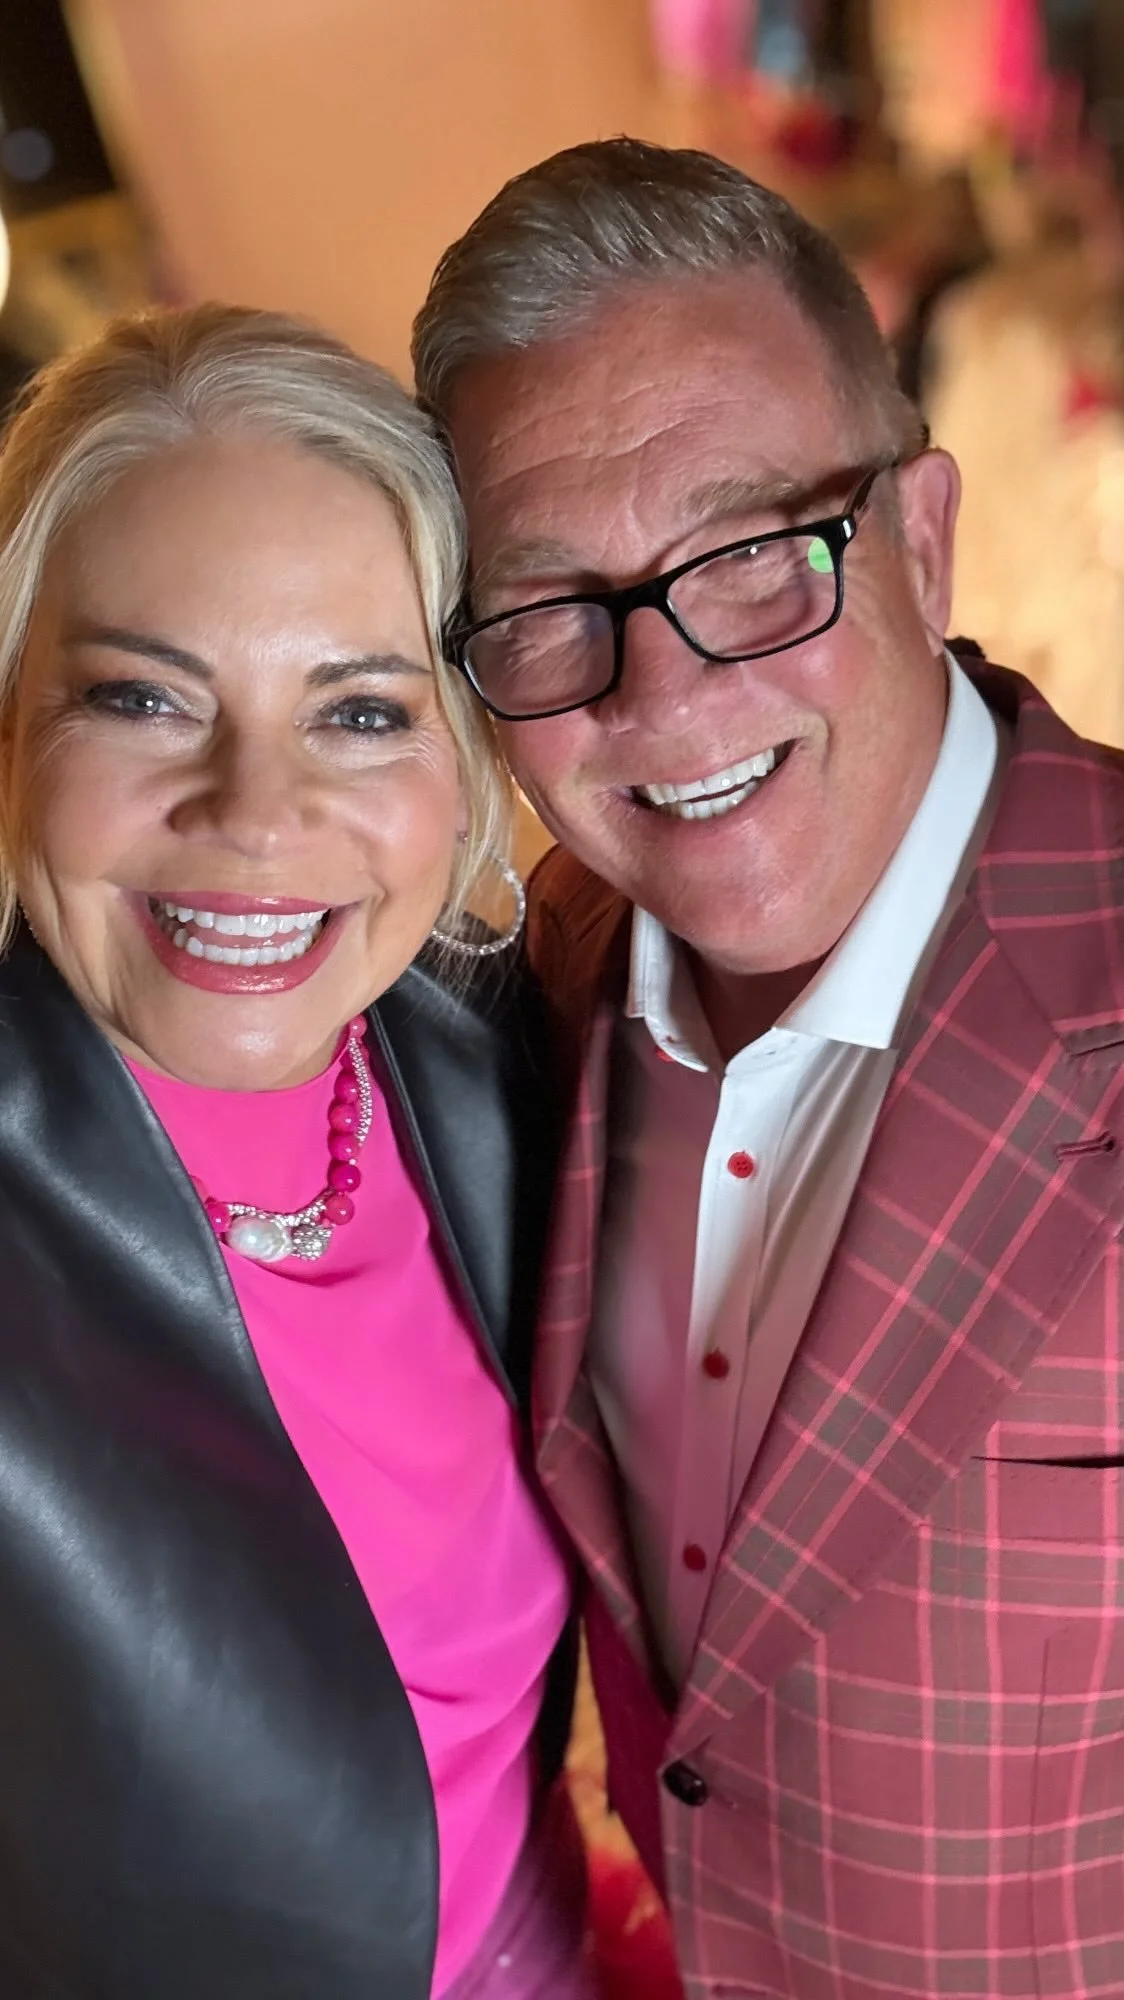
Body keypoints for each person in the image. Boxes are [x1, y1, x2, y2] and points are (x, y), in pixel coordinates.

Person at [413, 138, 1124, 2000]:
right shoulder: (541, 978)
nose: (661, 699)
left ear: (921, 536)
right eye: (547, 610)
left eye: (747, 559)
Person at [0, 303, 590, 2000]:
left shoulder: (498, 1055)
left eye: (360, 712)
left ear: (465, 760)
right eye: (140, 697)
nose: (256, 815)